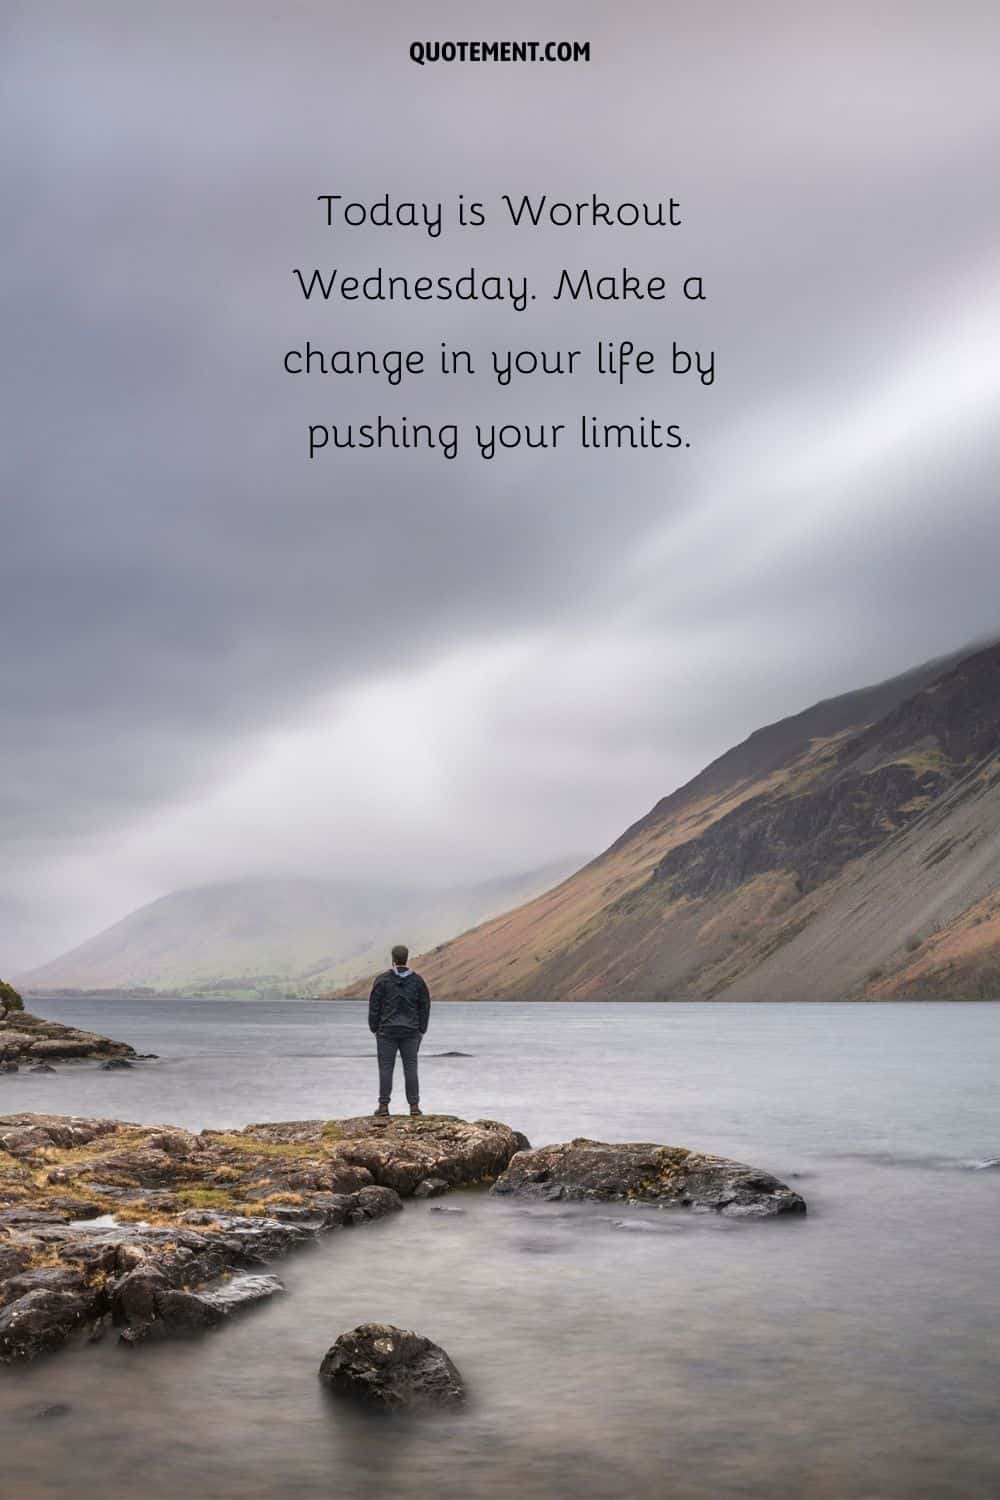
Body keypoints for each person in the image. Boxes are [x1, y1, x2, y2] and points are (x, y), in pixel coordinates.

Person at [368, 944, 431, 1117]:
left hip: (386, 1031)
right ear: (406, 958)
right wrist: (422, 1029)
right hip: (411, 1031)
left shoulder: (382, 980)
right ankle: (414, 1107)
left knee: (386, 1068)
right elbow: (424, 1006)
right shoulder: (418, 981)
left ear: (393, 959)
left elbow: (374, 1006)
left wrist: (374, 1027)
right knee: (410, 1068)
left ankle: (383, 1107)